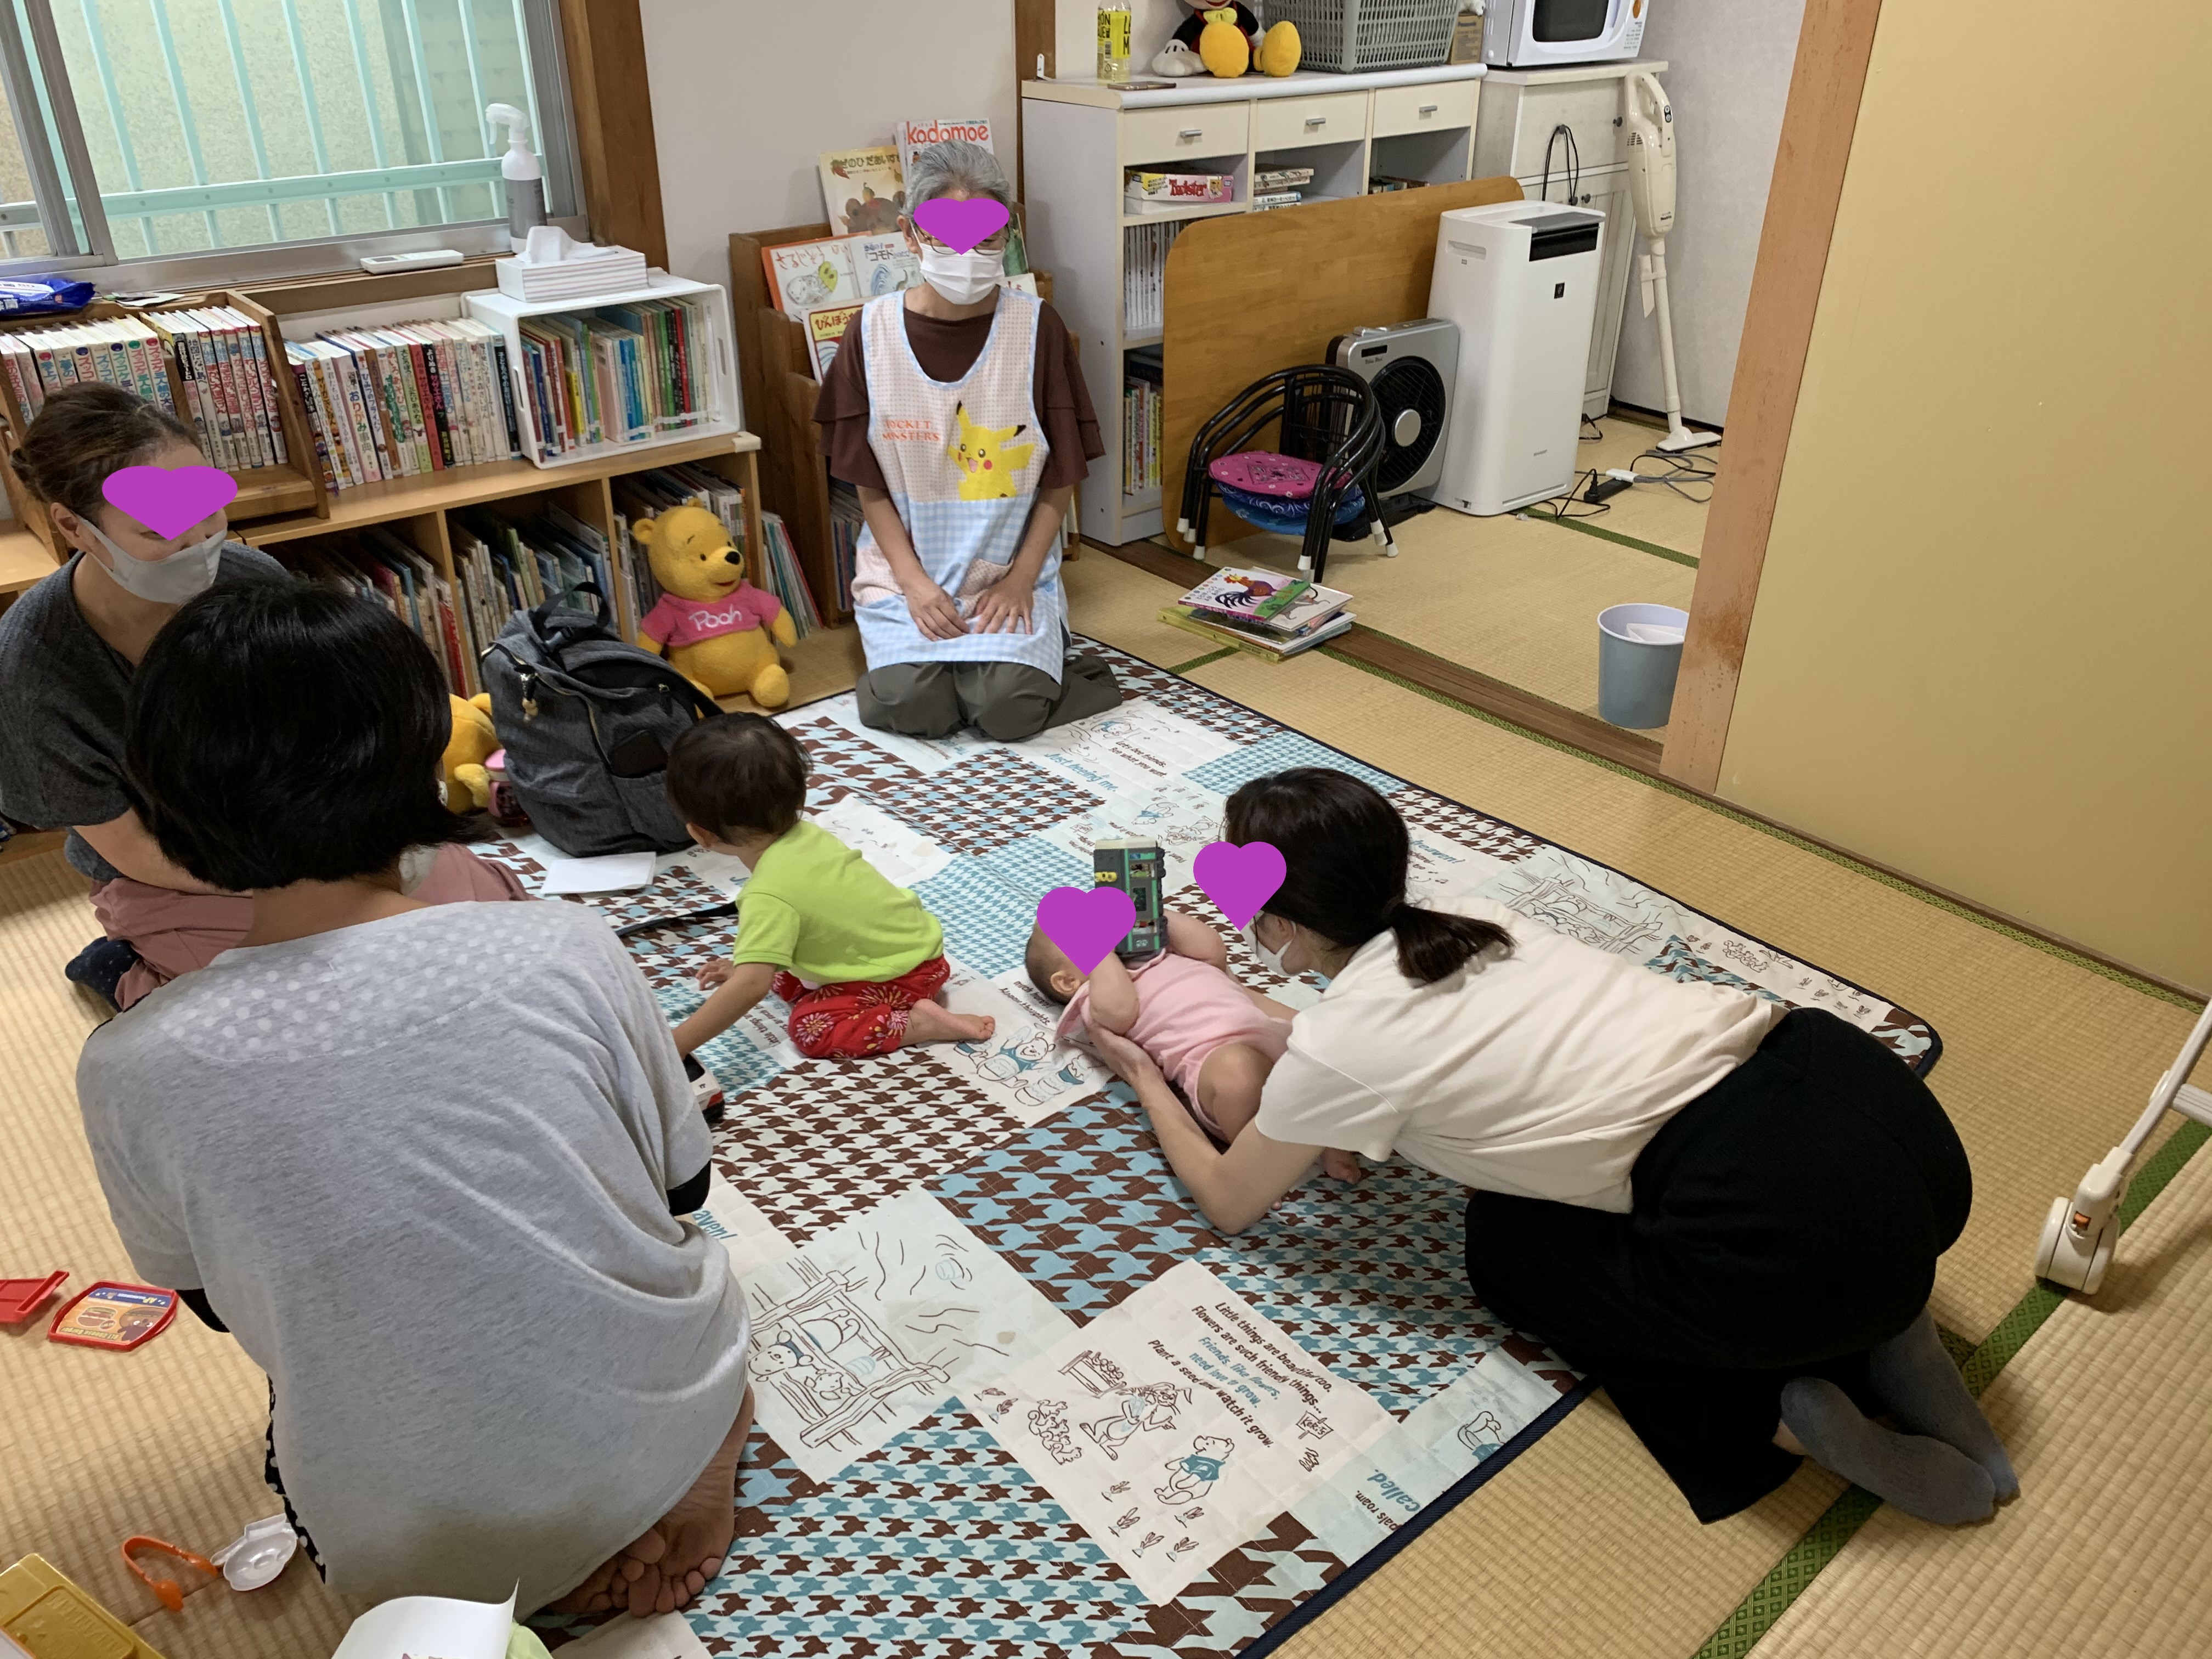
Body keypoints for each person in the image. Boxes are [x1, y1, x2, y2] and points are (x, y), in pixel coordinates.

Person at [1082, 768, 2018, 1527]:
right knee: (1838, 1242)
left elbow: (1230, 1199)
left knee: (1509, 1245)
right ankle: (1902, 1338)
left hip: (1776, 1228)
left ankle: (1777, 1416)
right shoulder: (1477, 923)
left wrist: (1141, 1071)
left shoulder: (1341, 1046)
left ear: (1280, 923)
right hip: (1875, 1113)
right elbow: (1357, 1044)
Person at [74, 580, 751, 1617]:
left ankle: (524, 1552)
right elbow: (682, 1187)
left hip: (412, 1540)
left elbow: (214, 1304)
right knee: (670, 1270)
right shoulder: (565, 944)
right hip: (664, 1407)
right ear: (431, 754)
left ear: (167, 806)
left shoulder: (129, 1065)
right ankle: (680, 1452)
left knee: (319, 1380)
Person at [0, 383, 523, 1011]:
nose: (198, 541)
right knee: (286, 1003)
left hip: (315, 831)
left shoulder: (251, 580)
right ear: (72, 525)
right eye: (160, 527)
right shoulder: (33, 666)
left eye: (209, 511)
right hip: (179, 868)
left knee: (489, 924)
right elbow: (134, 849)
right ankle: (125, 970)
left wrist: (355, 849)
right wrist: (294, 885)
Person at [814, 138, 1120, 741]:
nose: (967, 255)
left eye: (985, 238)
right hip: (906, 572)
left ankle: (1032, 665)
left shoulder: (1037, 329)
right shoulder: (869, 334)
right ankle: (947, 671)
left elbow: (1060, 476)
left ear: (1007, 234)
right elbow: (867, 483)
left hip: (1006, 569)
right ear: (909, 234)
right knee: (909, 707)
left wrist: (1020, 579)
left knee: (1010, 712)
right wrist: (913, 583)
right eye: (946, 236)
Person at [665, 712, 995, 1059]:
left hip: (900, 979)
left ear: (700, 834)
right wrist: (743, 968)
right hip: (924, 956)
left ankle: (916, 1024)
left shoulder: (766, 896)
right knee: (783, 970)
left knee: (810, 1028)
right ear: (799, 799)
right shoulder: (809, 835)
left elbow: (750, 988)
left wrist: (676, 1045)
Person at [1026, 909, 1297, 1146]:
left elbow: (1213, 951)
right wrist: (1100, 950)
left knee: (1317, 1047)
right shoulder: (1093, 999)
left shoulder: (1161, 955)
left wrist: (1148, 913)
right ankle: (1261, 1151)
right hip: (1213, 1061)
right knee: (1238, 1074)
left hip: (1271, 1034)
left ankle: (1317, 1139)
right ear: (1067, 982)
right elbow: (1120, 1012)